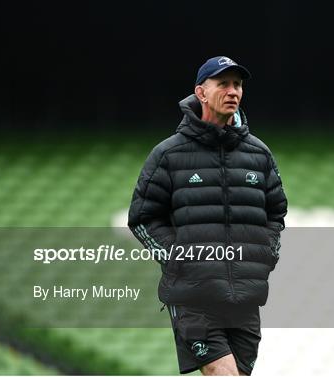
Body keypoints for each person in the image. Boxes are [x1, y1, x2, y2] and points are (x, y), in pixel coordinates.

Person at [128, 56, 287, 376]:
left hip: (246, 296)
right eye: (223, 84)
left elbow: (276, 213)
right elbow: (143, 218)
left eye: (238, 85)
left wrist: (266, 252)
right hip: (194, 295)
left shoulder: (259, 153)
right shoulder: (169, 154)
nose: (233, 91)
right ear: (201, 93)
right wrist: (178, 258)